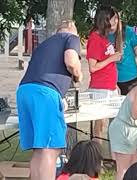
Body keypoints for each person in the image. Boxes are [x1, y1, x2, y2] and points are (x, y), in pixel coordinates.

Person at [16, 20, 82, 180]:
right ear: (73, 31)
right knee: (51, 149)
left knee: (39, 149)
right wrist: (78, 74)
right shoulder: (71, 38)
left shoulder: (44, 45)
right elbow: (71, 61)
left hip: (24, 91)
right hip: (45, 93)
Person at [86, 6, 123, 144]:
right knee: (99, 124)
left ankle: (109, 154)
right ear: (106, 20)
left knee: (113, 123)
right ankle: (96, 155)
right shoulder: (95, 38)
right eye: (114, 19)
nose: (116, 22)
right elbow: (93, 67)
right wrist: (112, 58)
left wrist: (114, 85)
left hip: (110, 87)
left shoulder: (104, 37)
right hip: (100, 88)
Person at [107, 7, 137, 95]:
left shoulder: (128, 32)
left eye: (114, 19)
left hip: (130, 76)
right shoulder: (103, 34)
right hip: (111, 78)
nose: (112, 23)